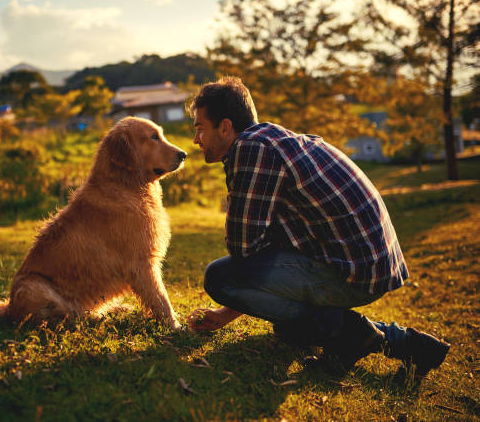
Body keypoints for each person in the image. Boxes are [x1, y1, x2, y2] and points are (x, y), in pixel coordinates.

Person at [186, 76, 450, 378]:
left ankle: (350, 336)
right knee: (291, 330)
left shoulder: (251, 149)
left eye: (199, 128)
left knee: (219, 278)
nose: (196, 139)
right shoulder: (277, 140)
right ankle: (409, 344)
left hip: (354, 272)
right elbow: (263, 253)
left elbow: (242, 250)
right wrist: (225, 314)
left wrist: (227, 301)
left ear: (225, 127)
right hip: (371, 266)